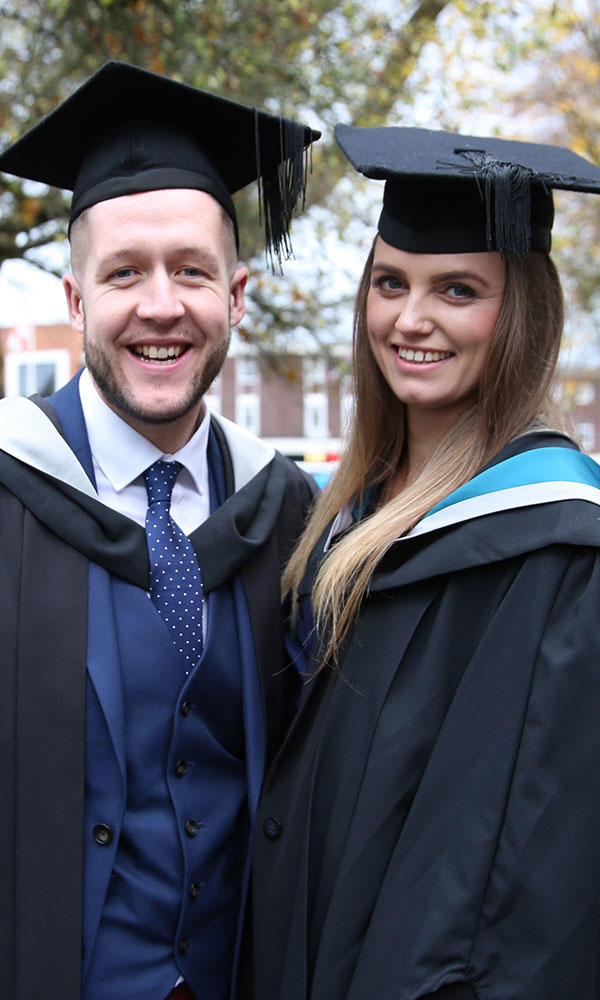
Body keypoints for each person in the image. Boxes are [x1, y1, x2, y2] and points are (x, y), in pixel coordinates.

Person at [249, 125, 600, 1000]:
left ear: (519, 312)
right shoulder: (348, 508)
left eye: (458, 290)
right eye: (388, 284)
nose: (411, 320)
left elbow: (532, 871)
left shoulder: (558, 546)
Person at [0, 61, 319, 1000]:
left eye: (192, 271)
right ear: (74, 303)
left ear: (239, 296)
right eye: (125, 273)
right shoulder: (8, 487)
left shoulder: (286, 512)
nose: (161, 306)